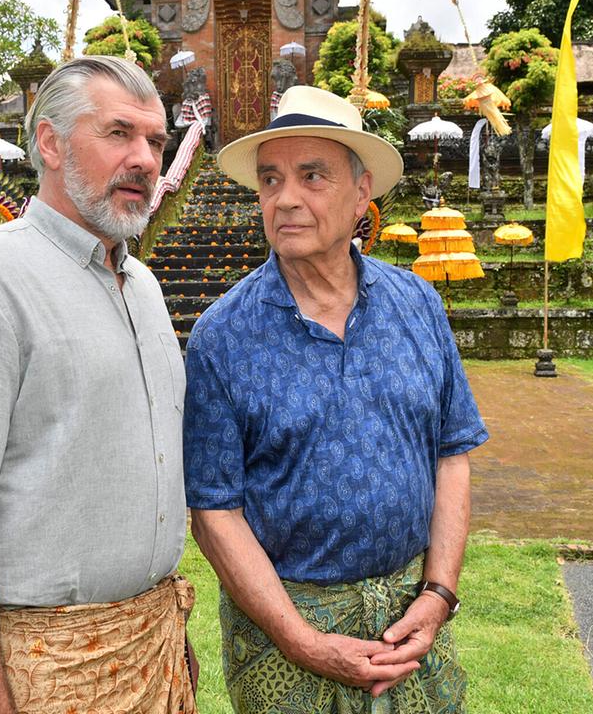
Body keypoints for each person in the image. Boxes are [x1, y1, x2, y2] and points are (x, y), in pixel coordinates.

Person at [0, 56, 193, 714]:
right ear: (50, 144)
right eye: (118, 134)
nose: (144, 158)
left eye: (156, 141)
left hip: (153, 647)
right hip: (38, 672)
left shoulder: (141, 285)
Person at [183, 86, 489, 713]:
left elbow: (451, 453)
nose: (285, 198)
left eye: (311, 175)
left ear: (361, 193)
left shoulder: (418, 305)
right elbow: (214, 512)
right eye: (270, 179)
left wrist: (437, 595)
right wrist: (304, 642)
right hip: (286, 639)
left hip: (409, 623)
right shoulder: (224, 335)